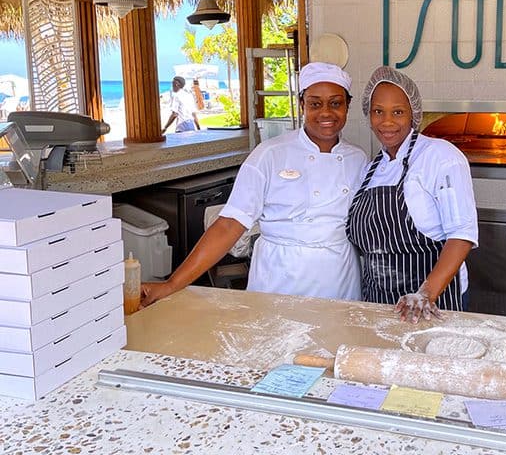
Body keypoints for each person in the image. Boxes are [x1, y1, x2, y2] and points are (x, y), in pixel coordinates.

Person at [141, 62, 368, 307]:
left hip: (338, 279)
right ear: (302, 105)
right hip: (279, 279)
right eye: (315, 103)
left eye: (336, 103)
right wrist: (173, 284)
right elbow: (229, 225)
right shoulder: (270, 154)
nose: (326, 112)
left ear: (347, 106)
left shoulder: (359, 159)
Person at [346, 66, 478, 323]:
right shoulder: (370, 170)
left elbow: (462, 235)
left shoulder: (440, 156)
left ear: (413, 114)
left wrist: (425, 294)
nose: (387, 122)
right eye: (378, 112)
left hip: (432, 301)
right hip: (379, 302)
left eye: (397, 112)